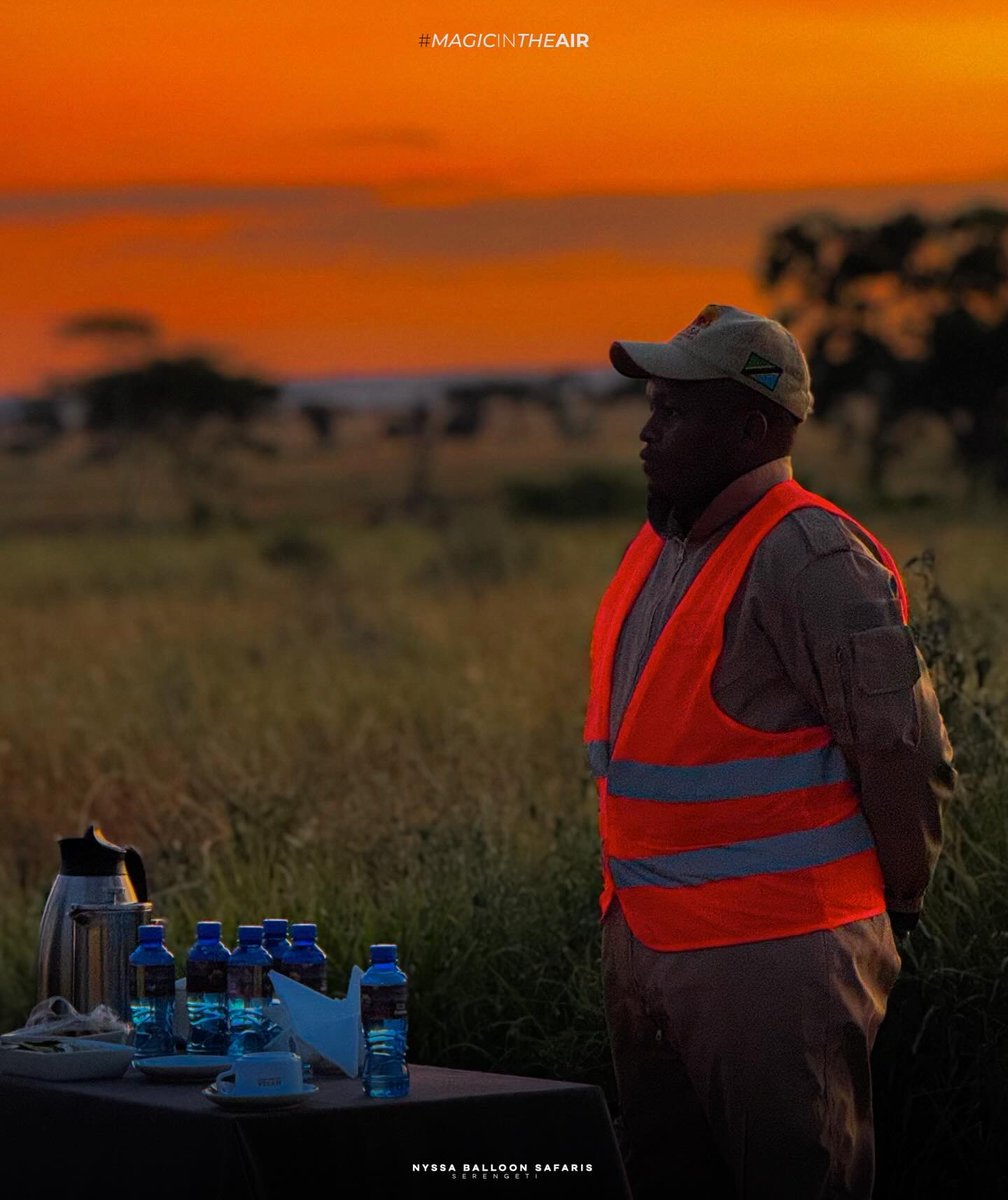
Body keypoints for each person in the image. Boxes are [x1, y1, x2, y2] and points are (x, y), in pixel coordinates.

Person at [584, 303, 957, 1200]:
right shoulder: (663, 543)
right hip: (651, 944)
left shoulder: (813, 554)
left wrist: (891, 907)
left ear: (750, 428)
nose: (648, 430)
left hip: (776, 960)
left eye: (675, 411)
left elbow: (903, 754)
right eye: (651, 406)